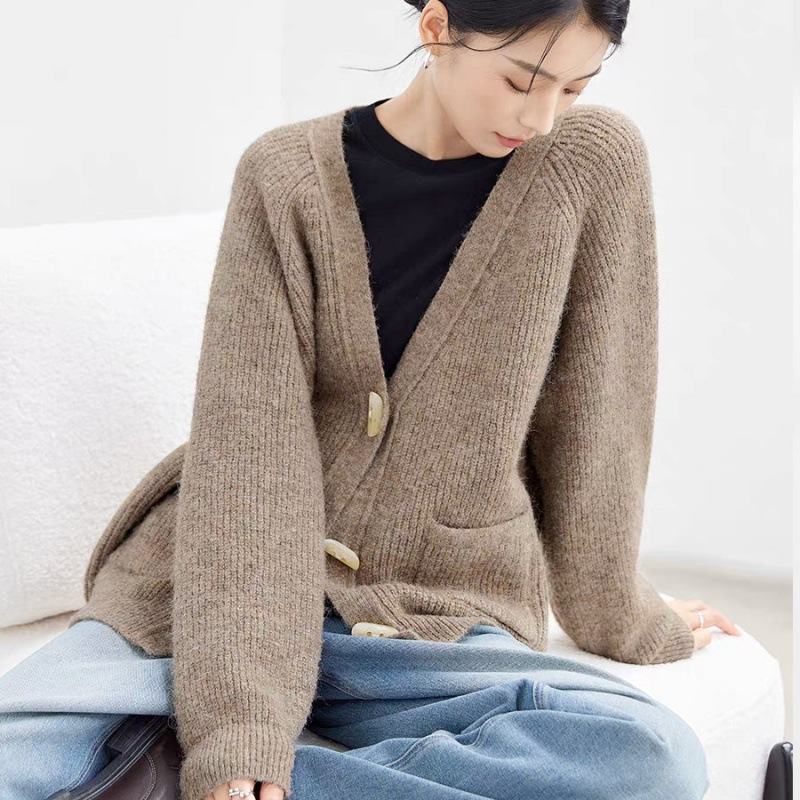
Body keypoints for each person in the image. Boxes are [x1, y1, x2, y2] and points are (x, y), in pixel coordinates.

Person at [0, 2, 742, 799]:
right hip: (214, 586)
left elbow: (598, 421)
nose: (542, 117)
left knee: (651, 759)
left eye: (575, 88)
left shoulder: (588, 163)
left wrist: (621, 613)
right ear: (437, 28)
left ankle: (172, 784)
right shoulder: (285, 176)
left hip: (431, 611)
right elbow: (251, 448)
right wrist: (240, 731)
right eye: (522, 80)